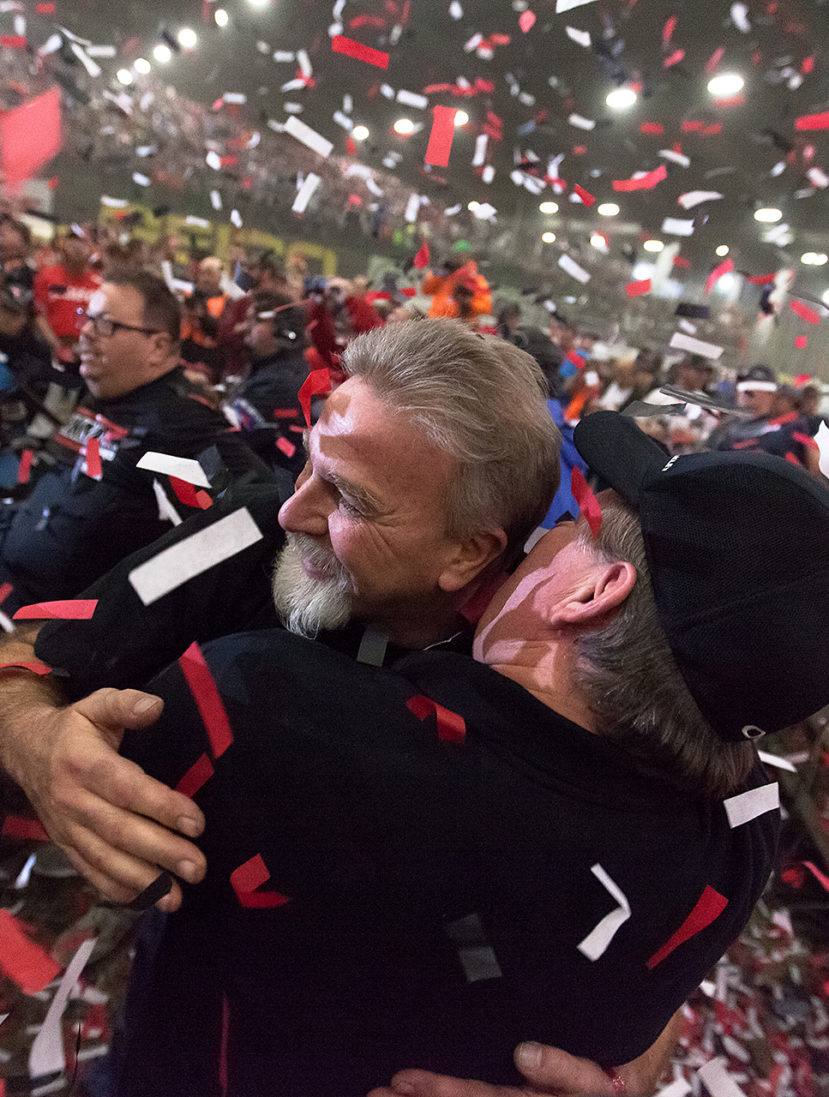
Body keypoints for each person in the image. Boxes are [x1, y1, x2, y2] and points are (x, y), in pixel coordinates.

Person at [64, 412, 825, 1094]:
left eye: (576, 519)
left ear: (591, 593)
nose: (539, 531)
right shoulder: (742, 837)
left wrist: (34, 732)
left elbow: (65, 702)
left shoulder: (260, 708)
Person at [0, 270, 270, 611]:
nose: (84, 331)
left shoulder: (180, 423)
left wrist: (136, 601)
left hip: (49, 631)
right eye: (88, 318)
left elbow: (253, 517)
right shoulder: (104, 397)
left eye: (105, 324)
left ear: (157, 346)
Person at [710, 364, 820, 473]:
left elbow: (810, 467)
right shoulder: (729, 424)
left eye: (753, 389)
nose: (745, 393)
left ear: (771, 394)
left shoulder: (788, 430)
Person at [32, 228, 102, 364]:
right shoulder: (48, 275)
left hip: (84, 352)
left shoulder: (98, 283)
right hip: (49, 349)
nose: (77, 248)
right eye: (73, 242)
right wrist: (55, 344)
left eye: (82, 243)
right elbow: (40, 314)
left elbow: (86, 316)